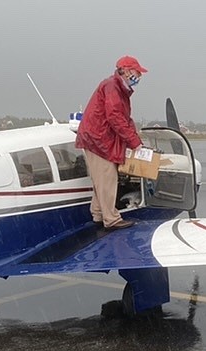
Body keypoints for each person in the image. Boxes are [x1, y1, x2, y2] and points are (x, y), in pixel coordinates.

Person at [75, 55, 148, 230]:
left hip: (97, 139)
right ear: (125, 71)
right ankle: (112, 220)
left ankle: (99, 214)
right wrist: (134, 143)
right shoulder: (112, 87)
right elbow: (115, 117)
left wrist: (135, 139)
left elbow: (124, 118)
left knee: (100, 180)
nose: (138, 76)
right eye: (136, 72)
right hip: (98, 140)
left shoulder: (118, 89)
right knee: (108, 178)